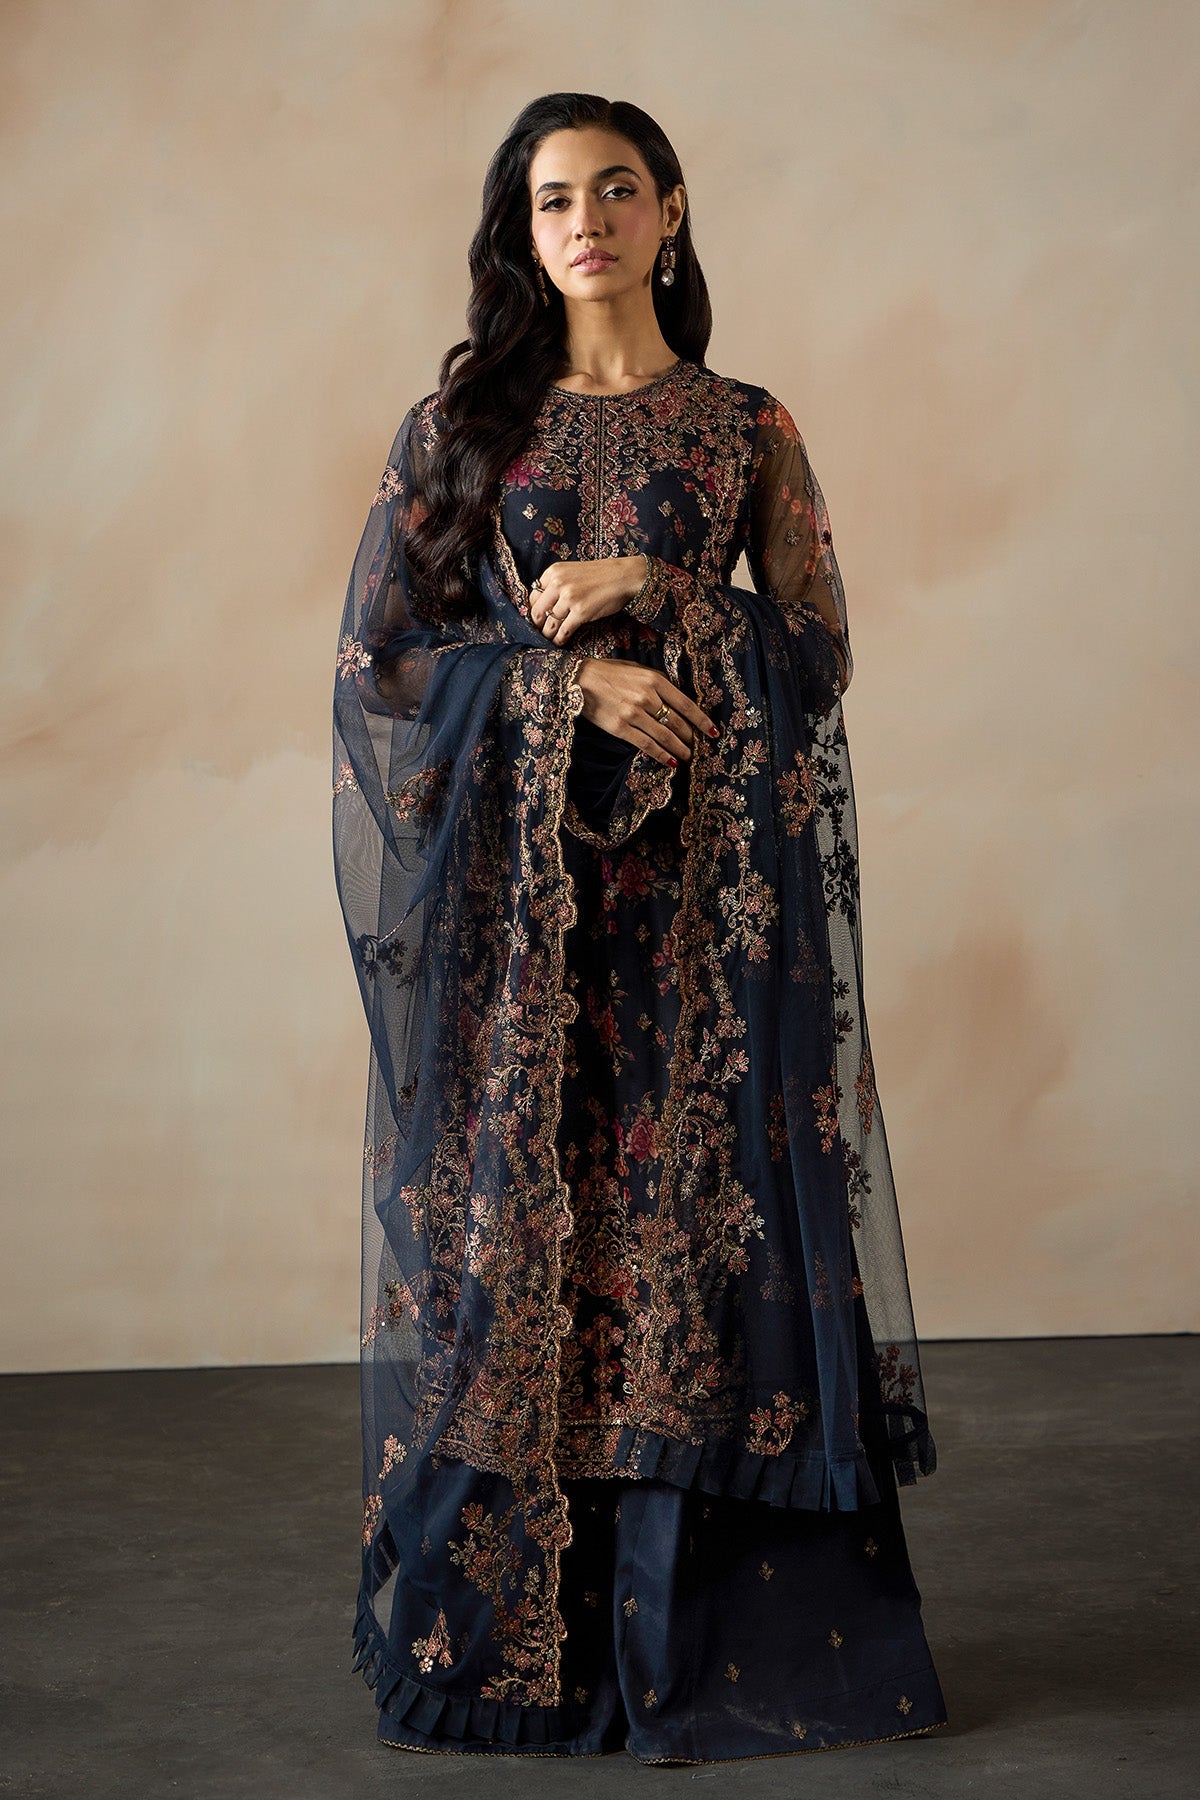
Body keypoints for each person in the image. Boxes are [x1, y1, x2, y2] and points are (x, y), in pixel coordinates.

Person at [333, 91, 948, 1765]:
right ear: (522, 232)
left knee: (703, 1245)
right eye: (553, 199)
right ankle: (514, 1660)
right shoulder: (461, 432)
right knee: (522, 1243)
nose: (586, 221)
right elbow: (381, 665)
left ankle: (726, 1647)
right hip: (526, 939)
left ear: (670, 212)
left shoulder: (747, 429)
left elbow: (814, 653)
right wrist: (564, 686)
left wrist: (662, 593)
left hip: (708, 931)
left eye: (616, 190)